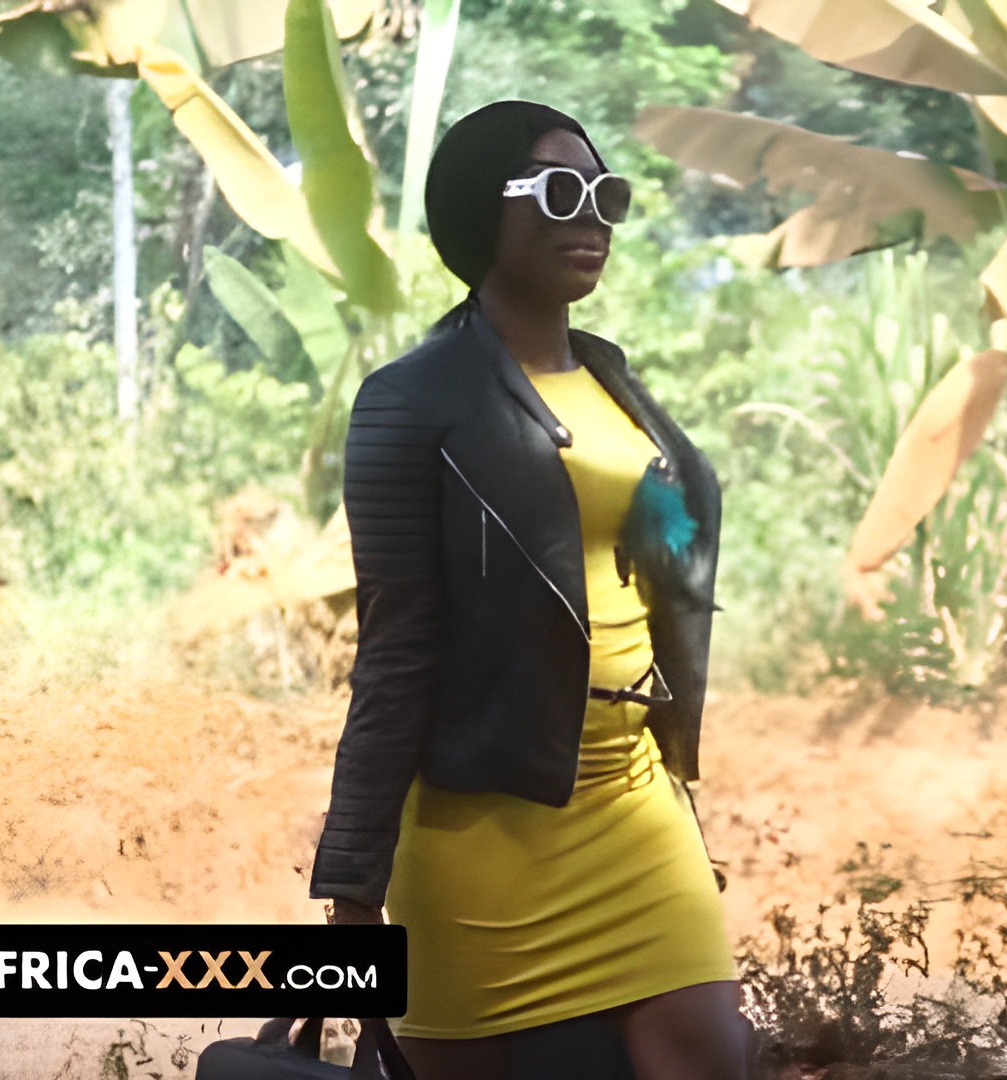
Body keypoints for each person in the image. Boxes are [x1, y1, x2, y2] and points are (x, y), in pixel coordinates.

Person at [308, 100, 748, 1080]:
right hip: (479, 831)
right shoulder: (409, 402)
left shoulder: (614, 381)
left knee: (709, 1053)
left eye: (604, 194)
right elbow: (396, 647)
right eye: (557, 192)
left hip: (632, 800)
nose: (589, 215)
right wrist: (352, 880)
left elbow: (658, 558)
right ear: (481, 209)